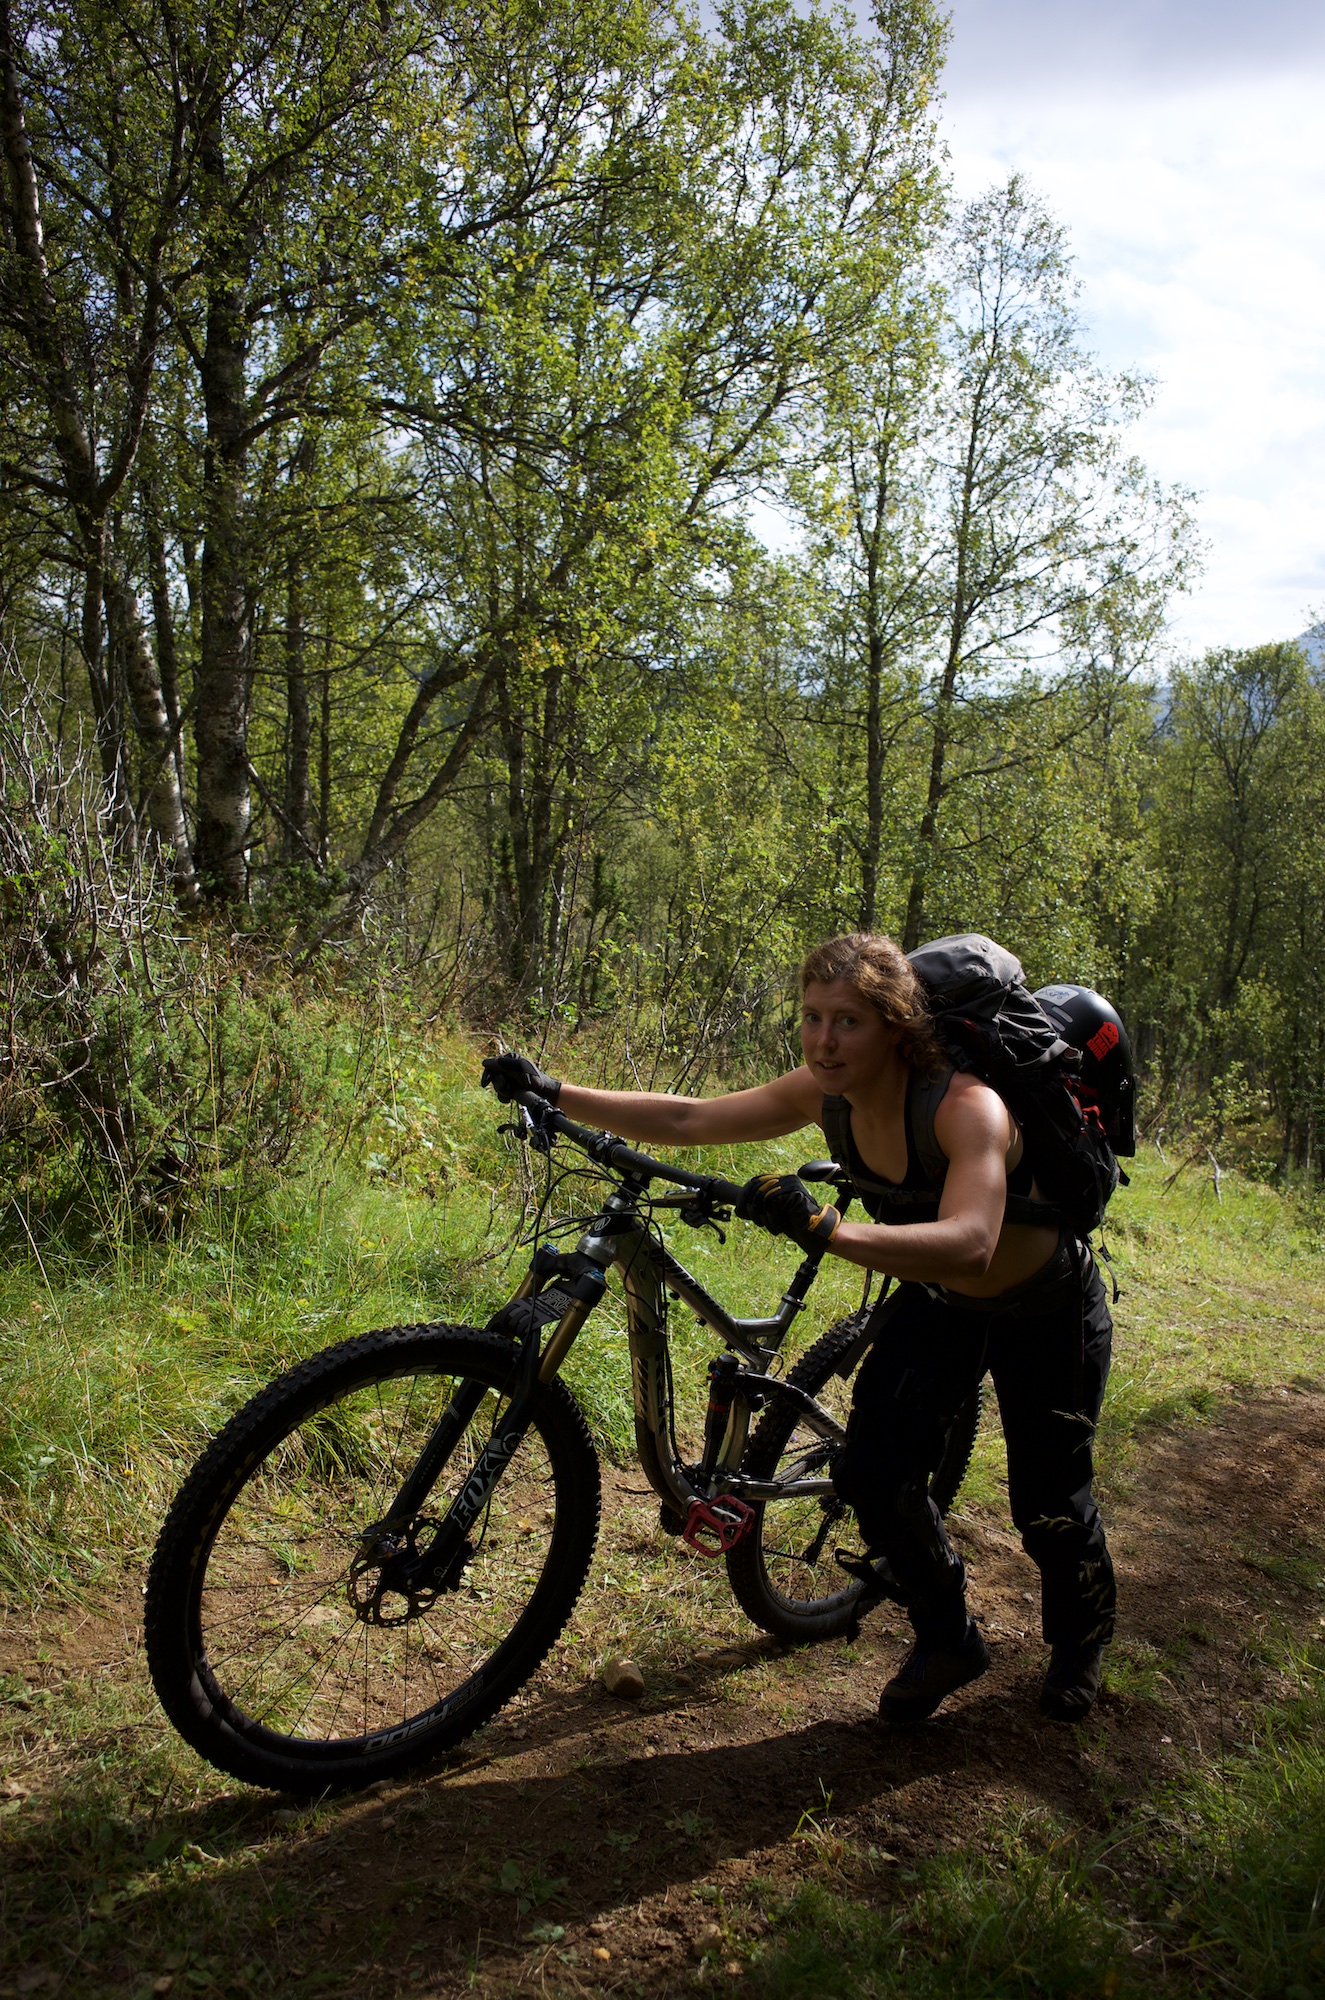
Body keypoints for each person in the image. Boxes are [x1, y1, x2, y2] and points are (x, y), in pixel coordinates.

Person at [482, 931, 1115, 1727]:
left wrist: (829, 1230)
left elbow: (970, 1241)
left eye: (847, 1021)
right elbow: (691, 1118)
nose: (823, 1039)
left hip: (1045, 1310)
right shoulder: (825, 1094)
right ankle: (948, 1637)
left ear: (896, 1026)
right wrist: (557, 1089)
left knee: (1047, 1502)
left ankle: (1080, 1642)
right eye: (811, 1017)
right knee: (871, 1475)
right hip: (943, 1304)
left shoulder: (967, 1107)